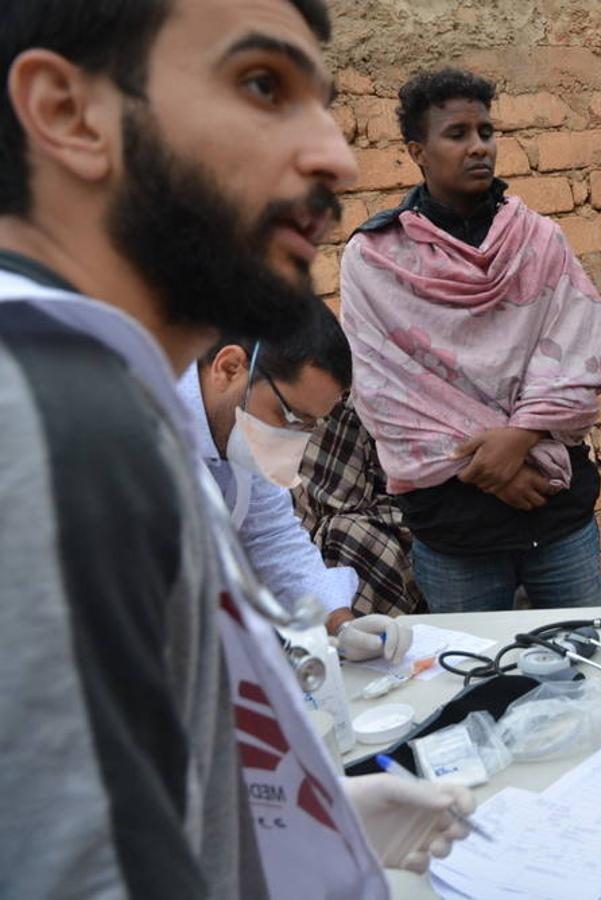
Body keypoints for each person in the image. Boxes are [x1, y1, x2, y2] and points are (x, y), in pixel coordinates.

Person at [0, 1, 474, 895]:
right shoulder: (43, 416)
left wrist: (299, 827)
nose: (338, 155)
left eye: (323, 102)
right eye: (263, 85)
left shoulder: (113, 399)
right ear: (67, 113)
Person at [341, 67, 601, 614]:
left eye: (486, 132)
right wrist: (496, 472)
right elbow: (383, 395)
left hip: (556, 513)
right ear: (417, 151)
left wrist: (518, 440)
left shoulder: (538, 241)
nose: (479, 148)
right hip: (456, 530)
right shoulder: (373, 260)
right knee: (480, 686)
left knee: (585, 671)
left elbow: (583, 349)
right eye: (457, 134)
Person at [182, 301, 412, 661]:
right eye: (290, 415)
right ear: (229, 369)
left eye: (310, 425)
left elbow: (271, 537)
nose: (294, 439)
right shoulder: (133, 433)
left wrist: (339, 623)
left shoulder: (235, 432)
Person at [293, 394, 429, 617]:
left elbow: (343, 498)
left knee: (348, 534)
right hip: (301, 540)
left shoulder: (346, 397)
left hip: (395, 522)